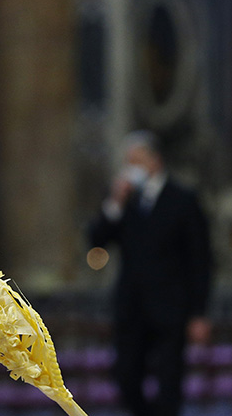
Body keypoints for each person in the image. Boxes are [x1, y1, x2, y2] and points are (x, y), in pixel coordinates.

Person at [88, 130, 213, 416]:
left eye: (137, 161)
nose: (131, 168)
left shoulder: (183, 200)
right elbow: (96, 242)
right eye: (128, 162)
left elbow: (200, 260)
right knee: (125, 377)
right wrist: (115, 204)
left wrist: (199, 312)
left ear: (155, 161)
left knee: (169, 385)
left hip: (171, 308)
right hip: (131, 307)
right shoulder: (123, 202)